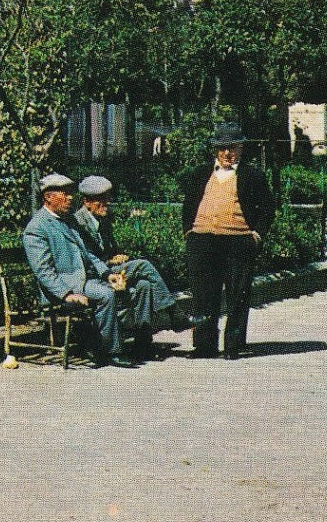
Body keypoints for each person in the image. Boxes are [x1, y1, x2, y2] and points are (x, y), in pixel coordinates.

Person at [21, 172, 139, 368]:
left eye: (70, 193)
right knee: (106, 295)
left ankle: (97, 344)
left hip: (82, 281)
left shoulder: (69, 221)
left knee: (126, 290)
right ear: (48, 197)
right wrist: (66, 295)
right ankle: (111, 351)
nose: (70, 198)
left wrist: (107, 274)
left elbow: (89, 255)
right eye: (65, 194)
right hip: (61, 287)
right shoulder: (37, 228)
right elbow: (44, 271)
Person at [179, 122, 276, 359]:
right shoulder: (201, 173)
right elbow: (189, 205)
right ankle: (204, 345)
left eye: (231, 148)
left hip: (237, 241)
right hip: (202, 241)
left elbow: (268, 208)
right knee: (203, 296)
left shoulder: (253, 175)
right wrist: (188, 232)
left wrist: (257, 236)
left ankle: (233, 345)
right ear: (215, 150)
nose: (226, 154)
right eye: (221, 149)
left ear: (241, 148)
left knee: (237, 295)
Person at [73, 174, 195, 344]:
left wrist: (117, 256)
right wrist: (109, 264)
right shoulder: (78, 223)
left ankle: (142, 341)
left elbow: (111, 250)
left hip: (109, 269)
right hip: (93, 275)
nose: (107, 202)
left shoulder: (103, 219)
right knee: (144, 265)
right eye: (101, 199)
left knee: (143, 285)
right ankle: (174, 313)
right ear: (87, 202)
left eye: (108, 197)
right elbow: (87, 258)